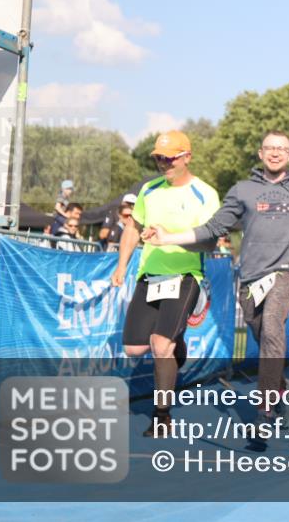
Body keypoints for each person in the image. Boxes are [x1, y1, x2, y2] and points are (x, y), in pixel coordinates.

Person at [143, 130, 289, 447]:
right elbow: (213, 228)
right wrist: (167, 238)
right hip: (250, 279)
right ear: (260, 153)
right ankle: (280, 387)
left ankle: (264, 410)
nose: (275, 152)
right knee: (264, 335)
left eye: (281, 148)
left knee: (272, 325)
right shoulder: (242, 190)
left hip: (286, 272)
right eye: (269, 147)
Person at [110, 130, 220, 437]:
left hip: (186, 276)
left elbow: (210, 243)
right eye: (159, 158)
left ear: (187, 157)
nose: (164, 163)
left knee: (161, 345)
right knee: (134, 348)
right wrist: (121, 266)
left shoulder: (205, 193)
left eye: (170, 158)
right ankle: (178, 340)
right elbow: (132, 229)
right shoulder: (149, 189)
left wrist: (170, 238)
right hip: (150, 275)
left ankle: (162, 416)